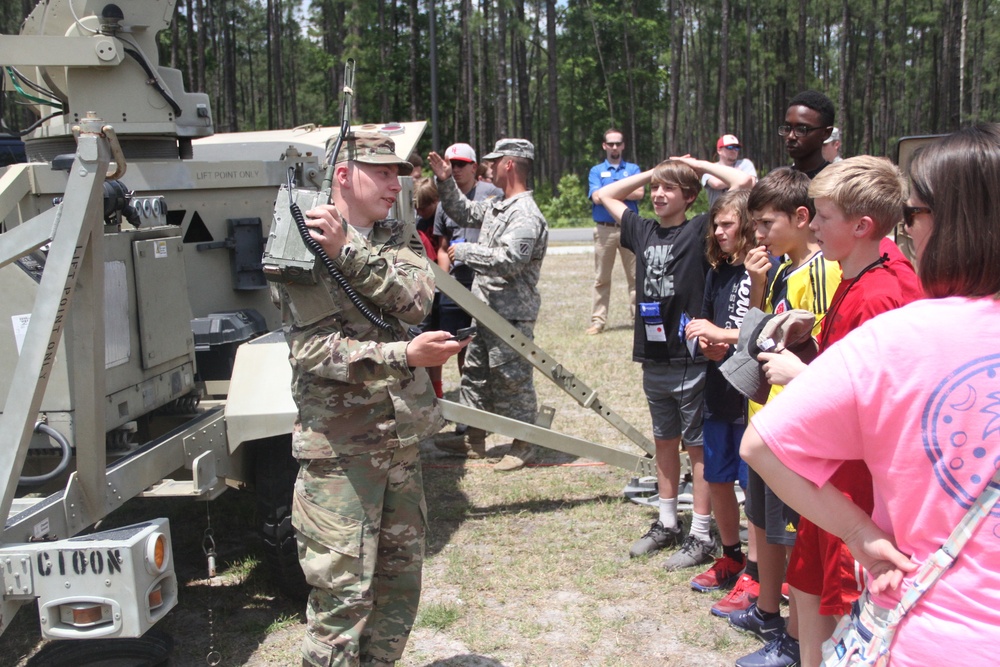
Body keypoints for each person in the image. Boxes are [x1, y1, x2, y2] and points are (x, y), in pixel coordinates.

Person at [742, 124, 1000, 667]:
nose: (812, 227)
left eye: (913, 215)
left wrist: (803, 375)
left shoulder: (889, 308)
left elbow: (769, 441)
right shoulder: (863, 286)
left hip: (879, 529)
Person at [275, 131, 468, 667]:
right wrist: (404, 357)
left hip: (400, 443)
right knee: (341, 601)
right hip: (341, 454)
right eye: (381, 172)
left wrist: (350, 250)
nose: (395, 183)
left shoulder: (393, 235)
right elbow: (313, 351)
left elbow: (415, 300)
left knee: (399, 589)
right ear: (343, 175)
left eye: (399, 172)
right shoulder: (298, 240)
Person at [755, 156, 923, 666]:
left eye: (822, 217)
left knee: (848, 605)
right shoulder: (858, 275)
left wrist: (799, 375)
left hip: (859, 487)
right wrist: (810, 346)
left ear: (861, 225)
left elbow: (883, 408)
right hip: (830, 475)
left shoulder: (883, 292)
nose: (814, 225)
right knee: (806, 586)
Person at [593, 156, 752, 569]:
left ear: (691, 196)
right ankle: (667, 523)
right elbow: (603, 194)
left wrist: (694, 163)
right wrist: (655, 171)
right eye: (657, 189)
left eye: (670, 188)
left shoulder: (700, 229)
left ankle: (701, 533)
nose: (659, 194)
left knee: (696, 447)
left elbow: (746, 181)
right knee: (664, 441)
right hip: (654, 357)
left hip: (691, 359)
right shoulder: (641, 228)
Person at [728, 167, 842, 667]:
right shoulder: (780, 270)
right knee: (773, 526)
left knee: (795, 535)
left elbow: (817, 352)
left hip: (798, 426)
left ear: (801, 218)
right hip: (769, 416)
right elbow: (761, 333)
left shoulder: (820, 274)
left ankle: (798, 642)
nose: (758, 234)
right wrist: (756, 286)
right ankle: (786, 630)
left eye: (766, 223)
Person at [428, 138, 549, 472]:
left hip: (510, 312)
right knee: (476, 375)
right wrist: (444, 181)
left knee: (512, 377)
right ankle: (473, 436)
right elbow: (463, 211)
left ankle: (524, 441)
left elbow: (511, 260)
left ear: (509, 164)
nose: (488, 167)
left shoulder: (525, 214)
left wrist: (466, 251)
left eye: (494, 162)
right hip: (484, 307)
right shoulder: (499, 204)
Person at [682, 189, 762, 600]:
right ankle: (730, 554)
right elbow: (710, 326)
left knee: (753, 489)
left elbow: (764, 329)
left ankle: (757, 567)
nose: (718, 231)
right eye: (716, 224)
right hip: (717, 390)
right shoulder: (718, 272)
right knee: (717, 479)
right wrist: (710, 344)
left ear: (748, 225)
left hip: (750, 396)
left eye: (727, 223)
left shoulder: (763, 270)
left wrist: (725, 336)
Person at [432, 143, 504, 376]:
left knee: (485, 339)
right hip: (457, 280)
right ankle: (463, 386)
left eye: (460, 164)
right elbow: (443, 247)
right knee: (453, 340)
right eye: (450, 164)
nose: (455, 169)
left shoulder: (492, 194)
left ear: (474, 167)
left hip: (483, 278)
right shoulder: (444, 202)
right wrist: (445, 282)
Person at [586, 128, 642, 335]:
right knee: (601, 277)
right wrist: (624, 190)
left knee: (636, 278)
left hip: (629, 228)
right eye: (611, 144)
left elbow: (639, 193)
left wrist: (610, 189)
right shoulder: (596, 171)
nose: (615, 147)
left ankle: (638, 320)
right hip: (604, 230)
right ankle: (598, 321)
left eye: (618, 143)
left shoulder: (633, 169)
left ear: (623, 145)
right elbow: (597, 197)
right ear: (604, 146)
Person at [413, 177, 445, 398]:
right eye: (418, 208)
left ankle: (437, 389)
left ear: (435, 201)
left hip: (440, 287)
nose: (422, 212)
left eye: (425, 207)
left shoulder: (442, 221)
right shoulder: (419, 226)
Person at [781, 91, 835, 178]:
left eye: (801, 130)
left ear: (826, 133)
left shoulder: (835, 184)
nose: (791, 136)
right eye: (787, 128)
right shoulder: (778, 183)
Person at [702, 134, 758, 206]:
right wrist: (740, 178)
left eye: (737, 147)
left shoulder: (745, 163)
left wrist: (743, 181)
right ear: (719, 150)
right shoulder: (710, 168)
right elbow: (716, 184)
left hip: (743, 211)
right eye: (730, 147)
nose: (734, 150)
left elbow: (751, 183)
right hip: (718, 213)